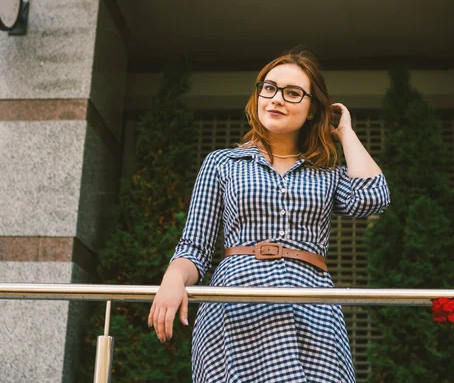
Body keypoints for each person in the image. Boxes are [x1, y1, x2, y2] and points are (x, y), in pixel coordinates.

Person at [148, 51, 390, 382]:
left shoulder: (327, 173)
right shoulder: (223, 163)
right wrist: (173, 279)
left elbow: (372, 198)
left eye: (293, 93)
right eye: (269, 88)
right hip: (236, 306)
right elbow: (194, 247)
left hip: (312, 310)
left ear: (311, 110)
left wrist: (344, 131)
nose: (276, 99)